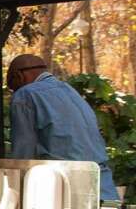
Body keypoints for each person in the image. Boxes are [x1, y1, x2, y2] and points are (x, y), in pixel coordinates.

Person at [7, 54, 119, 201]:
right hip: (102, 184)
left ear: (19, 76)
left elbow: (22, 155)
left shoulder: (25, 94)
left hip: (64, 187)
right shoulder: (70, 91)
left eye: (13, 87)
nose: (14, 92)